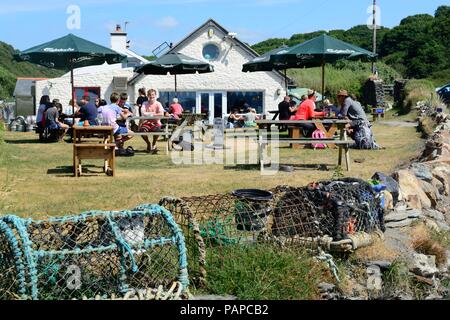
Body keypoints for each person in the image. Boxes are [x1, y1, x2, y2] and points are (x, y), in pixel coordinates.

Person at [140, 89, 165, 153]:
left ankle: (154, 143)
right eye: (150, 95)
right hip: (146, 123)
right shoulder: (144, 103)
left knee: (157, 130)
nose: (151, 96)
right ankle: (148, 143)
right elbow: (142, 113)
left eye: (153, 95)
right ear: (148, 95)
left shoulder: (158, 104)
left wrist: (151, 114)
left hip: (156, 122)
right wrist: (153, 114)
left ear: (155, 95)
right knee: (142, 131)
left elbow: (161, 114)